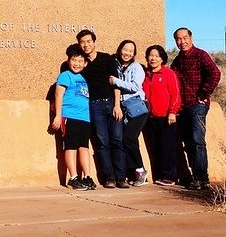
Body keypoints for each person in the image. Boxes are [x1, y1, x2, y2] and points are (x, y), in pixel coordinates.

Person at [171, 27, 222, 190]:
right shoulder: (177, 61)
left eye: (185, 38)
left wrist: (203, 93)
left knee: (197, 140)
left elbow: (215, 73)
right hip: (183, 107)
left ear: (191, 38)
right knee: (188, 142)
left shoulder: (201, 55)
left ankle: (202, 178)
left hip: (197, 105)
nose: (182, 42)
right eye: (178, 39)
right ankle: (195, 176)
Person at [75, 29, 126, 188]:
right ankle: (109, 177)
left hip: (111, 103)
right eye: (82, 42)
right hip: (94, 105)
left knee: (117, 140)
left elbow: (115, 83)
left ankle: (121, 177)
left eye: (88, 41)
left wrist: (117, 105)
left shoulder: (106, 59)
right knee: (102, 142)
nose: (86, 45)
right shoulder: (82, 63)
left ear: (94, 42)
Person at [50, 44, 96, 191]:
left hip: (85, 118)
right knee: (71, 146)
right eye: (74, 60)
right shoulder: (65, 76)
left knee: (84, 147)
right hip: (69, 116)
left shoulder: (84, 78)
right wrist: (58, 116)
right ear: (69, 60)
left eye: (80, 61)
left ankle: (87, 176)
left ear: (85, 63)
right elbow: (58, 95)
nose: (77, 64)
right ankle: (73, 177)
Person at [142, 44, 182, 186]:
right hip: (150, 118)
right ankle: (159, 175)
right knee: (156, 147)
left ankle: (170, 176)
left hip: (166, 117)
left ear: (162, 58)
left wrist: (172, 111)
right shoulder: (146, 75)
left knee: (168, 147)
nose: (153, 58)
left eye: (156, 56)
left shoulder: (168, 74)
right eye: (150, 55)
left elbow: (176, 94)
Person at [110, 40, 148, 186]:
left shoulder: (136, 67)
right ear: (120, 50)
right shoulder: (118, 66)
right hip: (125, 108)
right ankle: (135, 172)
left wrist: (115, 81)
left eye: (131, 51)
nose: (127, 53)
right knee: (125, 140)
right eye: (125, 50)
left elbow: (135, 87)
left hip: (137, 108)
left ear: (134, 54)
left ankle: (140, 169)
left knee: (129, 138)